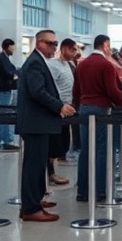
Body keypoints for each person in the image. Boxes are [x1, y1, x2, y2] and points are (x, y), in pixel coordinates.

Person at [15, 29, 75, 222]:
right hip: (35, 124)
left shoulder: (39, 62)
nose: (54, 47)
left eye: (56, 43)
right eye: (51, 43)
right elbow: (38, 92)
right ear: (39, 43)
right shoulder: (34, 64)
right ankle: (31, 208)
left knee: (38, 165)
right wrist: (60, 106)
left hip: (39, 123)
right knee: (33, 166)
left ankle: (34, 200)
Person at [72, 34, 122, 202]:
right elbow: (112, 90)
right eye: (109, 46)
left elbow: (76, 90)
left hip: (84, 108)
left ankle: (83, 190)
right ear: (104, 45)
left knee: (86, 150)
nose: (110, 49)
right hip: (101, 109)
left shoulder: (82, 65)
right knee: (103, 149)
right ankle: (102, 190)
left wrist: (78, 104)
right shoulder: (106, 65)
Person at [44, 38, 79, 186]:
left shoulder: (70, 65)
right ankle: (50, 173)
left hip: (68, 108)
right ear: (64, 49)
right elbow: (49, 87)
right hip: (57, 108)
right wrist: (57, 106)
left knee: (63, 142)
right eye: (72, 50)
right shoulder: (52, 65)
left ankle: (51, 171)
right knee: (54, 142)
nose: (74, 53)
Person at [0, 39, 20, 150]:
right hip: (3, 90)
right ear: (7, 47)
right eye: (13, 46)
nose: (14, 49)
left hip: (2, 90)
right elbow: (10, 73)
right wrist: (16, 74)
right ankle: (7, 140)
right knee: (5, 114)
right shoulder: (2, 59)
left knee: (0, 114)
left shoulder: (3, 58)